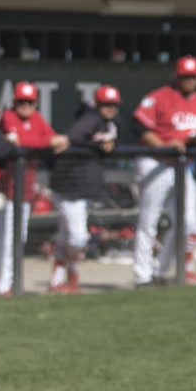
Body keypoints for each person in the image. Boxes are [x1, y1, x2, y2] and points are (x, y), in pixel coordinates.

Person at [0, 82, 69, 296]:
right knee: (2, 239)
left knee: (16, 239)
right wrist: (48, 141)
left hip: (24, 191)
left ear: (35, 103)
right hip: (4, 190)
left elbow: (54, 140)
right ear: (14, 102)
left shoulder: (37, 119)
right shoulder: (8, 117)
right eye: (21, 101)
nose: (25, 106)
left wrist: (52, 140)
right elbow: (20, 142)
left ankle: (0, 283)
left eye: (29, 102)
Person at [48, 85, 121, 293]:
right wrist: (99, 145)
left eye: (113, 105)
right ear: (97, 104)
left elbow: (115, 132)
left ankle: (61, 281)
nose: (110, 109)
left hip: (80, 186)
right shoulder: (90, 119)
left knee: (66, 236)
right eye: (106, 105)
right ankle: (72, 276)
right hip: (68, 185)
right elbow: (74, 136)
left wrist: (110, 143)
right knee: (78, 237)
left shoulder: (110, 122)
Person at [132, 56, 196, 287]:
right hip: (155, 161)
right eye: (185, 76)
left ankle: (161, 270)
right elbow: (139, 125)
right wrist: (163, 145)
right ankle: (143, 275)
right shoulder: (159, 96)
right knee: (149, 220)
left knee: (190, 221)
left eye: (192, 77)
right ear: (176, 76)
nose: (189, 81)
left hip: (182, 165)